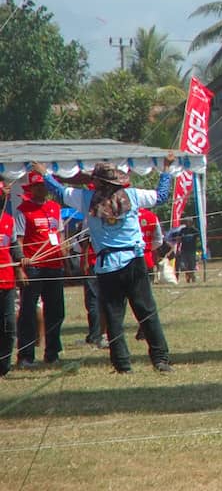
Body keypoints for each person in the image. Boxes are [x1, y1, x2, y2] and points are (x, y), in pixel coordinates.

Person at [40, 158, 176, 373]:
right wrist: (167, 169)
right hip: (134, 260)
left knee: (113, 316)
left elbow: (59, 192)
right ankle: (161, 359)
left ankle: (122, 364)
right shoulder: (132, 196)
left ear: (98, 183)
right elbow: (161, 196)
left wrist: (44, 174)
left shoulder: (86, 199)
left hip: (106, 265)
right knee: (147, 311)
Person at [15, 170, 67, 369]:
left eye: (43, 185)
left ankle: (52, 352)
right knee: (28, 311)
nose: (42, 189)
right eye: (38, 186)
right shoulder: (23, 210)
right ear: (32, 189)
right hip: (34, 267)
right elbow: (18, 240)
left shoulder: (55, 207)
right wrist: (21, 265)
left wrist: (64, 254)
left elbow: (59, 235)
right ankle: (26, 355)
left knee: (56, 311)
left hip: (54, 266)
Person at [1, 179, 20, 377]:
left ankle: (4, 365)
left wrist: (22, 259)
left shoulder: (9, 220)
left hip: (7, 281)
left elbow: (14, 245)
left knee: (8, 326)